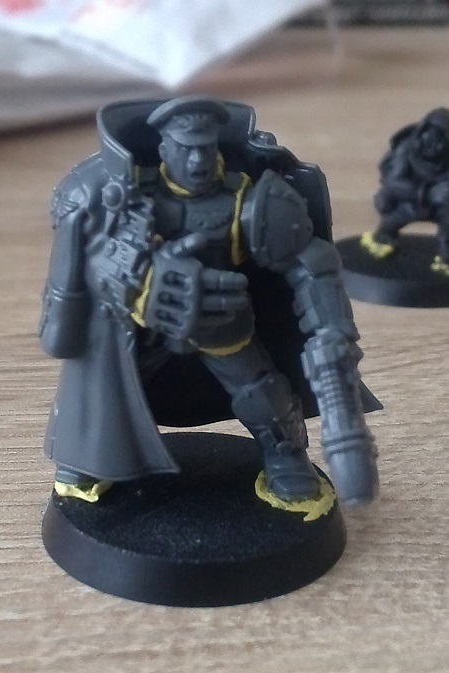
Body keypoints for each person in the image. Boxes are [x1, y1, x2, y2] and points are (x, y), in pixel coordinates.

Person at [39, 95, 379, 508]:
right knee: (103, 388)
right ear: (164, 149)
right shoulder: (125, 194)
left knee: (262, 392)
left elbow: (311, 262)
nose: (198, 160)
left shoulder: (247, 200)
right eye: (186, 148)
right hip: (144, 327)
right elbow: (83, 253)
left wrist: (331, 333)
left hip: (220, 321)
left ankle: (285, 455)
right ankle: (89, 456)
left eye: (205, 147)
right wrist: (138, 286)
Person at [362, 107, 449, 275]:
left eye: (440, 142)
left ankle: (446, 255)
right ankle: (383, 238)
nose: (434, 147)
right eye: (429, 140)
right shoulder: (406, 150)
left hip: (440, 205)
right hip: (408, 201)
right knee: (393, 222)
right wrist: (427, 194)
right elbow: (394, 184)